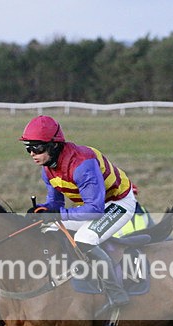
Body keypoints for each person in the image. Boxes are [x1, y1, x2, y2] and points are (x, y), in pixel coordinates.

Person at [21, 115, 137, 315]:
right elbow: (55, 204)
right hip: (92, 204)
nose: (32, 153)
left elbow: (95, 210)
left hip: (117, 203)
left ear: (54, 146)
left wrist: (57, 213)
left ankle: (116, 293)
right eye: (28, 148)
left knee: (85, 238)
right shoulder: (47, 169)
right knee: (48, 229)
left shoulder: (82, 164)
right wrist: (42, 210)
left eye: (37, 148)